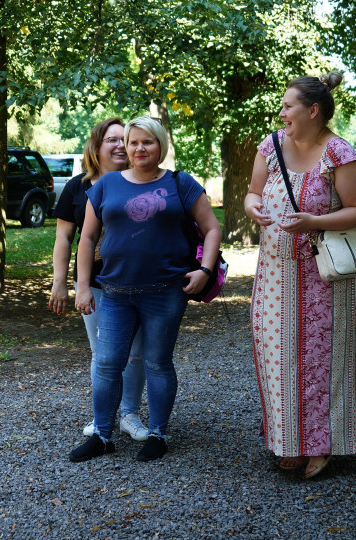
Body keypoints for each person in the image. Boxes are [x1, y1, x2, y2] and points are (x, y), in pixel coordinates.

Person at [244, 72, 356, 478]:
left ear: (313, 111)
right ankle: (288, 440)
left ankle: (323, 443)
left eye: (288, 106)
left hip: (324, 278)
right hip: (274, 274)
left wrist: (315, 220)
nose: (281, 113)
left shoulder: (338, 153)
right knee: (276, 359)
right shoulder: (270, 145)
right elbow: (252, 191)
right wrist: (252, 207)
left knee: (322, 362)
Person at [70, 116, 221, 463]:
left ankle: (158, 433)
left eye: (147, 142)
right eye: (132, 142)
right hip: (114, 293)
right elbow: (87, 237)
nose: (138, 149)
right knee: (108, 363)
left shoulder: (180, 183)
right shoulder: (107, 184)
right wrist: (82, 286)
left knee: (157, 362)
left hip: (166, 292)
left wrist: (204, 270)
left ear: (160, 146)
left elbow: (212, 228)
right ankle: (103, 436)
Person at [47, 118, 149, 442]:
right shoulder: (78, 187)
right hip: (94, 285)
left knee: (136, 352)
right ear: (97, 145)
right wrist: (61, 282)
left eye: (126, 139)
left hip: (138, 283)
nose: (120, 145)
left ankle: (130, 416)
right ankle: (101, 418)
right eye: (112, 139)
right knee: (102, 354)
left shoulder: (142, 182)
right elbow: (64, 238)